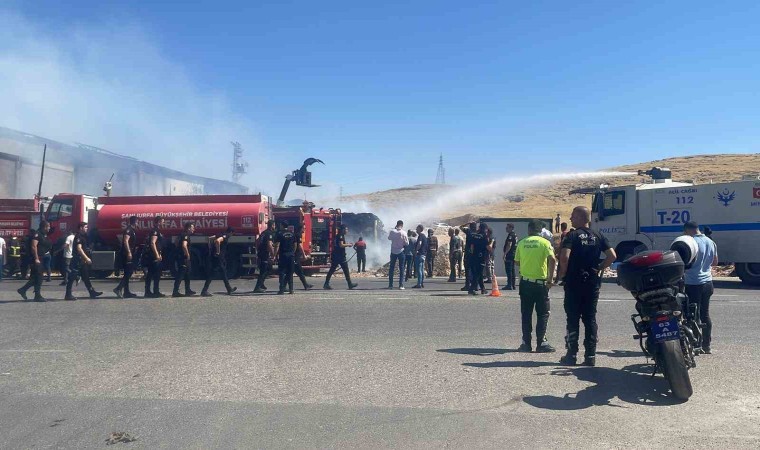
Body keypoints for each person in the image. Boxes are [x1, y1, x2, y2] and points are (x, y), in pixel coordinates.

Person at [558, 206, 616, 367]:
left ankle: (571, 355)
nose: (570, 219)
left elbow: (564, 257)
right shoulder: (598, 235)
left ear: (580, 218)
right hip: (591, 282)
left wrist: (563, 274)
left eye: (573, 216)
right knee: (590, 318)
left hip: (574, 282)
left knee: (573, 318)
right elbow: (612, 256)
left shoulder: (572, 235)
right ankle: (590, 355)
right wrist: (600, 267)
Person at [514, 219, 557, 352]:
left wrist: (527, 263)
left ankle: (526, 343)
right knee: (542, 313)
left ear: (529, 230)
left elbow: (517, 261)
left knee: (526, 313)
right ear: (540, 231)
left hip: (525, 283)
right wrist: (550, 279)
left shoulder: (522, 242)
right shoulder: (545, 243)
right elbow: (552, 259)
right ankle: (541, 343)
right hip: (540, 284)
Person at [683, 221, 718, 354]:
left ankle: (696, 344)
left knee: (692, 315)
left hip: (693, 283)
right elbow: (715, 262)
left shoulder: (690, 242)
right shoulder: (710, 242)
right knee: (705, 314)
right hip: (708, 283)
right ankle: (706, 345)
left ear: (687, 230)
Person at [64, 222, 103, 300]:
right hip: (78, 260)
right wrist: (86, 258)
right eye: (85, 227)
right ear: (81, 228)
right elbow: (79, 249)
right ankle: (68, 295)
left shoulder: (84, 236)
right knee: (72, 277)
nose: (87, 228)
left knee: (86, 276)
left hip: (82, 260)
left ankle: (92, 292)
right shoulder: (78, 237)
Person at [17, 221, 52, 301]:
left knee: (35, 277)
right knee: (39, 277)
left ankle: (24, 290)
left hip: (41, 257)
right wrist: (36, 258)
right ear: (44, 227)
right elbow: (34, 246)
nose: (49, 228)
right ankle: (36, 295)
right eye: (48, 226)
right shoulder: (37, 234)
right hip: (36, 258)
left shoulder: (43, 235)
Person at [201, 226, 238, 297]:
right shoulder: (226, 236)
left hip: (216, 257)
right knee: (213, 273)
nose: (232, 235)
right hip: (219, 257)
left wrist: (210, 248)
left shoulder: (220, 234)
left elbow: (209, 238)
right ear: (231, 232)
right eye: (232, 234)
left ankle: (229, 289)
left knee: (223, 272)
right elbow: (217, 241)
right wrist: (218, 251)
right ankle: (204, 291)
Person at [324, 224, 358, 290]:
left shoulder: (339, 235)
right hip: (340, 256)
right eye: (346, 229)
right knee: (345, 270)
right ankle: (350, 284)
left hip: (336, 256)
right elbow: (341, 245)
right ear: (343, 230)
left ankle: (326, 283)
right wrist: (349, 244)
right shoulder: (340, 236)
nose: (347, 231)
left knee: (332, 270)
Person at [113, 216, 138, 298]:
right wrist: (129, 252)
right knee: (129, 272)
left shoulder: (132, 230)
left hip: (129, 253)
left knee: (127, 271)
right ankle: (118, 288)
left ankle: (126, 292)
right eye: (137, 222)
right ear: (135, 222)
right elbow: (125, 241)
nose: (137, 224)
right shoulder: (128, 230)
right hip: (126, 254)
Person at [143, 215, 166, 298]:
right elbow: (153, 243)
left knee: (155, 273)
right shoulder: (155, 231)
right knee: (154, 273)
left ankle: (154, 291)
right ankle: (151, 291)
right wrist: (156, 255)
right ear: (159, 222)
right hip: (153, 256)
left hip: (156, 255)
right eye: (163, 222)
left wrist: (160, 253)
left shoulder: (157, 231)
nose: (163, 223)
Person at [171, 222, 196, 297]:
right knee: (181, 274)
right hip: (183, 258)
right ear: (189, 228)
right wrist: (187, 254)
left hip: (180, 256)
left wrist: (178, 249)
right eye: (192, 228)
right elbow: (184, 245)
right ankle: (175, 292)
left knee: (187, 274)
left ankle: (188, 290)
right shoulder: (185, 235)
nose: (193, 229)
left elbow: (176, 242)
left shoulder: (181, 234)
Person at [275, 222, 298, 295]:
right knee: (290, 272)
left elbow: (277, 245)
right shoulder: (292, 234)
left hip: (283, 255)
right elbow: (295, 244)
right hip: (291, 255)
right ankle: (291, 289)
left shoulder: (280, 234)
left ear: (282, 226)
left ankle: (281, 290)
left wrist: (275, 255)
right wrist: (293, 252)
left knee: (282, 272)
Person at [254, 220, 276, 293]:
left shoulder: (263, 233)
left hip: (261, 253)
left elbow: (257, 241)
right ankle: (257, 287)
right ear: (272, 225)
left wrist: (258, 249)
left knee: (269, 269)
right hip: (264, 254)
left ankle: (261, 283)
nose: (274, 226)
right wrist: (273, 254)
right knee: (263, 271)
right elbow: (269, 245)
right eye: (274, 225)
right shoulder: (269, 233)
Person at [467, 223, 489, 295]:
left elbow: (472, 246)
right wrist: (491, 250)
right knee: (478, 274)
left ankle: (483, 289)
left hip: (474, 256)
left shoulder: (474, 235)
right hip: (481, 257)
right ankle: (472, 288)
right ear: (485, 229)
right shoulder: (484, 236)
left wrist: (472, 254)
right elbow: (488, 247)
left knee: (478, 273)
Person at [292, 224, 314, 290]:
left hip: (295, 256)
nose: (304, 229)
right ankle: (305, 285)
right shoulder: (298, 235)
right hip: (295, 256)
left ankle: (306, 285)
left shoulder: (296, 234)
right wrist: (304, 255)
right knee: (298, 272)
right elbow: (300, 245)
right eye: (304, 228)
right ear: (300, 228)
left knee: (296, 272)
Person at [387, 220, 409, 290]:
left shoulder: (392, 231)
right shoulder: (404, 233)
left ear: (396, 224)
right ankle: (401, 285)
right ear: (402, 225)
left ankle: (390, 285)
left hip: (393, 251)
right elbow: (407, 243)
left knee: (391, 268)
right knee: (402, 268)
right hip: (401, 251)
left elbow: (389, 238)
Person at [459, 222, 477, 292]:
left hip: (468, 252)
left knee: (467, 269)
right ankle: (475, 285)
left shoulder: (469, 232)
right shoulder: (477, 233)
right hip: (475, 253)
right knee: (474, 270)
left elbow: (460, 227)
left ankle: (467, 285)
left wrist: (466, 223)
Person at [502, 223, 517, 290]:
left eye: (507, 228)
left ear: (511, 228)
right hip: (513, 254)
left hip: (510, 254)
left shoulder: (511, 235)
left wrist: (505, 253)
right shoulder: (515, 235)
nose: (506, 229)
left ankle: (509, 285)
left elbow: (509, 245)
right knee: (512, 270)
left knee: (509, 270)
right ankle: (513, 285)